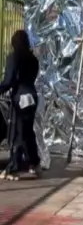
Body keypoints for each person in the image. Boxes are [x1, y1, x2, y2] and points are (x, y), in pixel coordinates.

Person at [0, 30, 41, 181]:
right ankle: (34, 163)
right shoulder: (33, 59)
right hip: (32, 96)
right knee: (28, 132)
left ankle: (13, 167)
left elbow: (9, 80)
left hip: (20, 98)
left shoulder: (14, 57)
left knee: (17, 133)